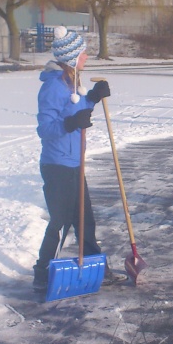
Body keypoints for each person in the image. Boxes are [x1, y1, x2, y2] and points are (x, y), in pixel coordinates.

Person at [33, 26, 111, 294]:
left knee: (85, 218)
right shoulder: (54, 87)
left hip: (75, 163)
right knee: (61, 220)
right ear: (72, 57)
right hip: (57, 165)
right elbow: (45, 129)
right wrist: (70, 124)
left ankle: (94, 264)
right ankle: (42, 272)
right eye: (83, 53)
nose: (87, 57)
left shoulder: (72, 83)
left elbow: (78, 111)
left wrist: (93, 98)